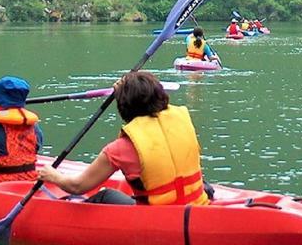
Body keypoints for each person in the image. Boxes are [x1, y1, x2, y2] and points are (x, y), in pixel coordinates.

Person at [38, 69, 211, 206]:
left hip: (157, 216)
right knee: (206, 187)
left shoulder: (121, 148)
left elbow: (77, 186)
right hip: (195, 203)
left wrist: (53, 175)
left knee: (106, 195)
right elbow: (149, 97)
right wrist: (129, 85)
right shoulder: (180, 120)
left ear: (123, 106)